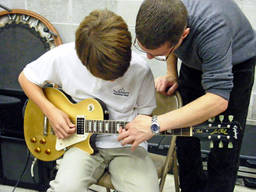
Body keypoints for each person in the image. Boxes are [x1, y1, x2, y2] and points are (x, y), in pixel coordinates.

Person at [118, 0, 256, 192]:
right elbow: (169, 39)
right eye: (145, 50)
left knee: (225, 141)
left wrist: (154, 124)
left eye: (156, 54)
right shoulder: (159, 8)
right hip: (195, 59)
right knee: (183, 136)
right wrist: (171, 73)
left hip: (236, 62)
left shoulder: (214, 28)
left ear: (184, 35)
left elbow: (217, 100)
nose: (149, 58)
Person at [18, 9, 159, 192]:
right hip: (79, 145)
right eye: (107, 76)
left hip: (126, 147)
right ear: (83, 60)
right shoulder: (65, 57)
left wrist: (142, 129)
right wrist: (51, 112)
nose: (113, 81)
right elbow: (25, 77)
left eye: (119, 74)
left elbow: (146, 114)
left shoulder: (140, 69)